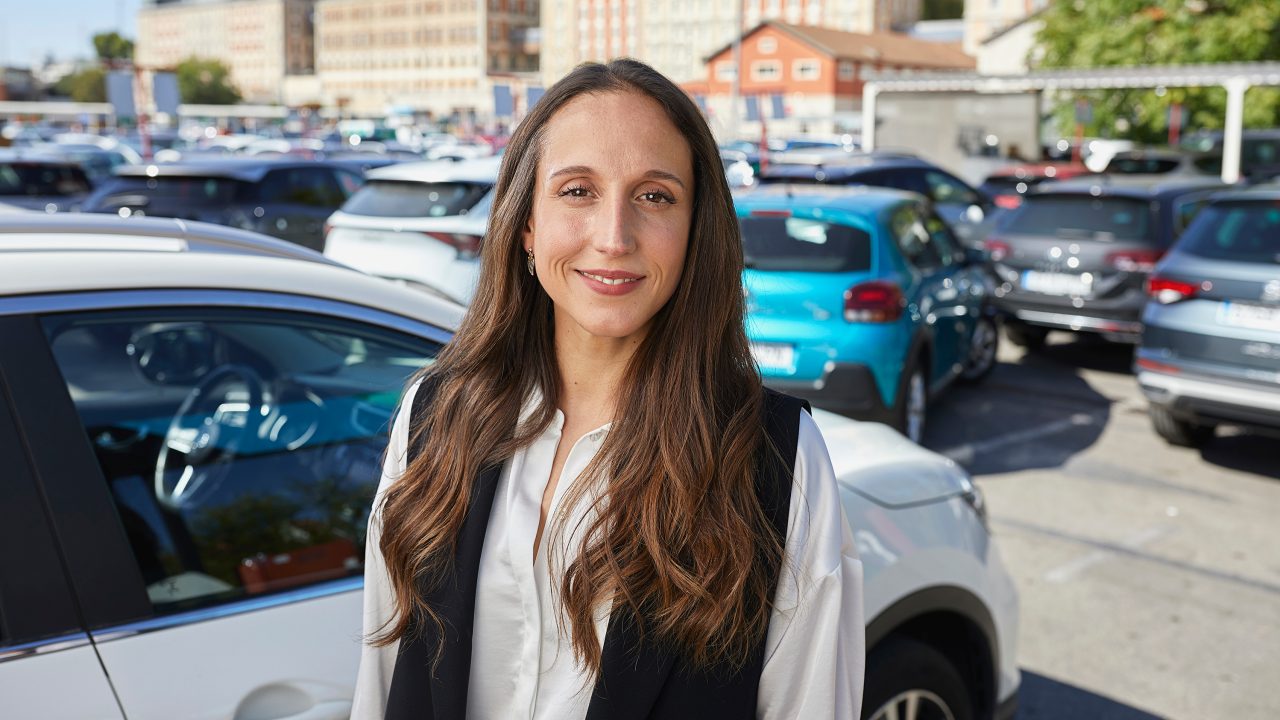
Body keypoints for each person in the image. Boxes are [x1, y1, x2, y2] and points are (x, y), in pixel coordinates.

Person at [351, 58, 864, 720]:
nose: (614, 237)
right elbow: (383, 679)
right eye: (576, 191)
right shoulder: (433, 417)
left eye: (654, 196)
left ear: (694, 231)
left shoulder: (779, 461)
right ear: (527, 225)